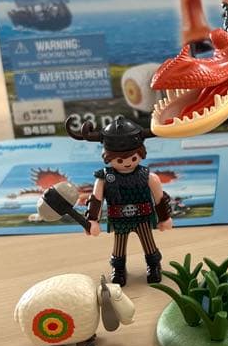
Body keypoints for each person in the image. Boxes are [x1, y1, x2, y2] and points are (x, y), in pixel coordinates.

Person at [69, 116, 172, 286]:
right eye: (119, 160)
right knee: (119, 246)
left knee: (149, 244)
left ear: (140, 154)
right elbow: (96, 199)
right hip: (119, 219)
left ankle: (154, 265)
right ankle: (118, 269)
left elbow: (159, 197)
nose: (127, 163)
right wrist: (92, 220)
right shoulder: (105, 178)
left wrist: (164, 217)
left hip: (142, 217)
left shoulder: (148, 176)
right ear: (108, 157)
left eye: (133, 158)